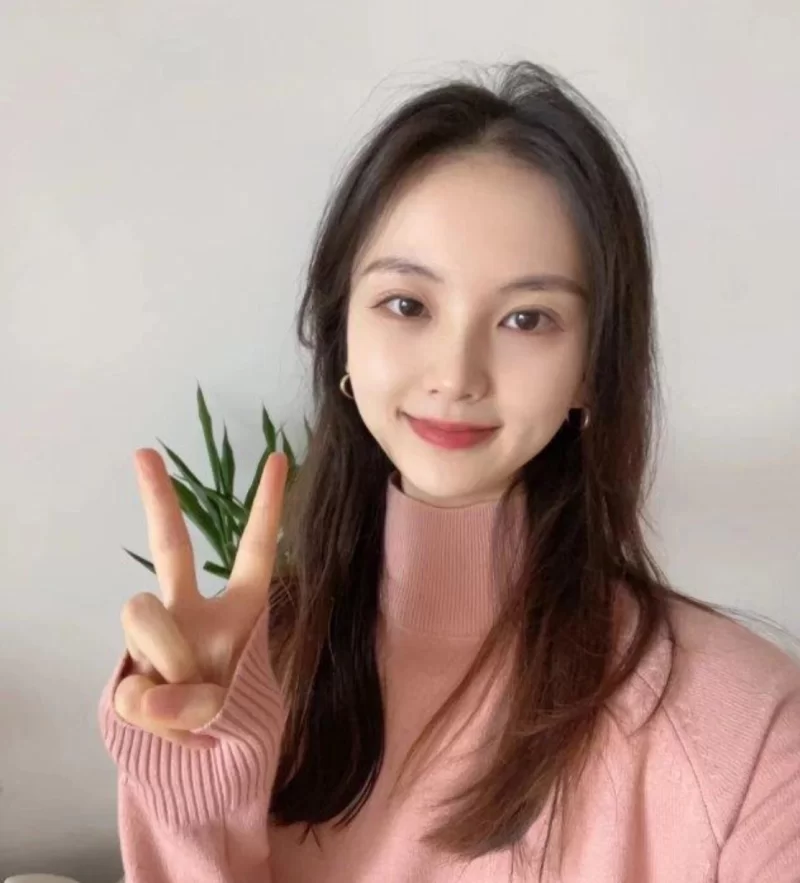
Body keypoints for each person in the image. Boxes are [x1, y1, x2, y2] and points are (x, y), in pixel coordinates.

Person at [98, 62, 800, 882]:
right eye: (408, 304)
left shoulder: (746, 729)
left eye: (527, 318)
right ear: (341, 331)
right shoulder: (234, 681)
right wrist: (192, 793)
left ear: (591, 368)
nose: (456, 374)